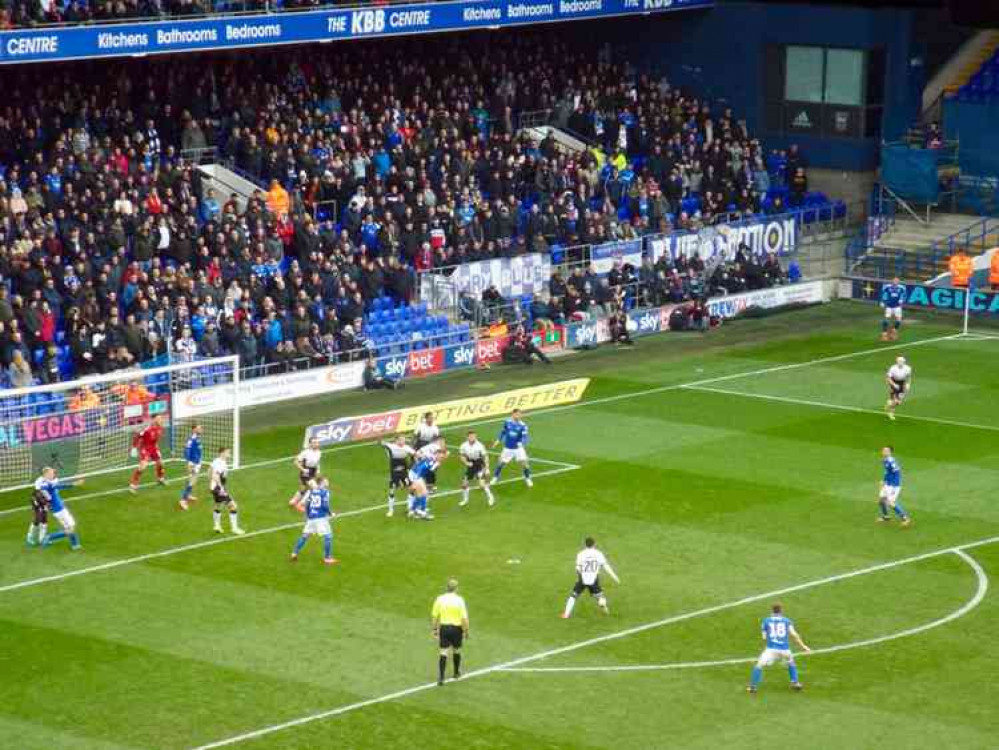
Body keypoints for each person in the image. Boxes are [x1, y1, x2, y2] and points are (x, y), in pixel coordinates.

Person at [747, 603, 810, 693]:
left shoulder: (766, 621)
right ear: (781, 611)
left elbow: (764, 637)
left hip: (771, 649)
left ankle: (753, 687)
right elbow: (794, 635)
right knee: (791, 663)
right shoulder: (787, 621)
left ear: (772, 611)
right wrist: (803, 646)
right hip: (785, 649)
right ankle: (795, 683)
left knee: (759, 665)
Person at [561, 537, 620, 619]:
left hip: (583, 578)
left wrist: (578, 577)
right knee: (599, 597)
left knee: (573, 596)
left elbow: (578, 568)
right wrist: (615, 577)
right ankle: (604, 608)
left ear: (585, 544)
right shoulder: (598, 554)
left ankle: (566, 614)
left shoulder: (581, 554)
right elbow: (606, 566)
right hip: (593, 579)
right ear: (594, 544)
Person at [290, 476, 337, 565]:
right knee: (328, 536)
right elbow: (325, 505)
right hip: (320, 518)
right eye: (326, 481)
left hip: (311, 518)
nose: (328, 482)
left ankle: (294, 553)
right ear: (322, 483)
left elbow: (307, 505)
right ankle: (327, 558)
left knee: (305, 536)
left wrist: (308, 515)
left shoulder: (312, 492)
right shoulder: (325, 492)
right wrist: (331, 514)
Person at [431, 578, 470, 686]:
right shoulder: (459, 600)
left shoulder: (440, 599)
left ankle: (441, 677)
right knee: (456, 650)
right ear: (456, 588)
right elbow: (464, 618)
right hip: (457, 629)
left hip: (444, 628)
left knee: (443, 652)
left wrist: (434, 630)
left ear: (447, 587)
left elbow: (435, 616)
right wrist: (466, 631)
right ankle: (456, 672)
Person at [35, 467, 84, 550]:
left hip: (57, 509)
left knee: (68, 527)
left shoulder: (46, 483)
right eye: (51, 473)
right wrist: (75, 484)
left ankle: (75, 544)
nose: (53, 474)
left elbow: (57, 487)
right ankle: (49, 537)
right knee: (71, 528)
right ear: (46, 474)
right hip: (59, 509)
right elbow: (61, 486)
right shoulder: (46, 484)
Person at [491, 409, 532, 488]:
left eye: (520, 414)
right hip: (507, 448)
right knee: (500, 463)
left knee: (524, 464)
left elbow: (525, 437)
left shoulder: (523, 425)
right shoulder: (507, 422)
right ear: (512, 414)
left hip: (518, 449)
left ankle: (528, 478)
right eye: (517, 414)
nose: (518, 416)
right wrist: (498, 440)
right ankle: (495, 477)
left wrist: (521, 443)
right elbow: (503, 432)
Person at [407, 437, 446, 520]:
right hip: (415, 474)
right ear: (436, 454)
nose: (441, 458)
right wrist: (415, 481)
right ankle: (423, 512)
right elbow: (420, 469)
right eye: (440, 456)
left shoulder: (434, 461)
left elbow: (428, 470)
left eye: (442, 457)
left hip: (417, 475)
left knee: (420, 494)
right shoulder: (431, 460)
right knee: (424, 493)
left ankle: (413, 511)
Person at [210, 447, 245, 535]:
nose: (229, 454)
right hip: (218, 488)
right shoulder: (220, 463)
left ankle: (217, 526)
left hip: (214, 487)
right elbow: (215, 475)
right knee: (233, 506)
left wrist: (210, 485)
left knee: (218, 505)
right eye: (227, 452)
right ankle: (234, 528)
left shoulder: (216, 461)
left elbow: (209, 471)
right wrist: (221, 488)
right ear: (222, 453)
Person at [129, 415, 166, 492]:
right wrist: (134, 447)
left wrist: (156, 448)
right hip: (145, 448)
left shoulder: (161, 428)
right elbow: (137, 436)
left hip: (154, 448)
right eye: (159, 419)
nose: (161, 420)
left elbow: (156, 439)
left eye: (161, 418)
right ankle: (133, 484)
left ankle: (160, 478)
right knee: (143, 466)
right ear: (154, 420)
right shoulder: (148, 429)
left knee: (161, 463)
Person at [381, 435, 415, 517]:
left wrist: (413, 462)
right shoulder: (391, 446)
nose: (403, 441)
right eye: (402, 440)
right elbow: (381, 443)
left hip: (404, 472)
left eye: (404, 440)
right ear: (397, 441)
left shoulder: (407, 448)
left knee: (411, 488)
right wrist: (380, 438)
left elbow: (415, 454)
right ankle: (390, 510)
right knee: (392, 490)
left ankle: (410, 509)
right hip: (394, 473)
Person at [459, 430, 494, 508]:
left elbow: (485, 456)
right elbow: (462, 456)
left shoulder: (480, 445)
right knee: (464, 484)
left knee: (482, 485)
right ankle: (465, 500)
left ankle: (491, 497)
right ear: (467, 437)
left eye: (474, 436)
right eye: (471, 436)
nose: (472, 438)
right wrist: (466, 463)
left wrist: (487, 467)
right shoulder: (463, 445)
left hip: (479, 464)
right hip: (470, 464)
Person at [878, 446, 911, 527]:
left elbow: (896, 471)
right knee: (881, 500)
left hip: (893, 485)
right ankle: (886, 517)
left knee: (891, 503)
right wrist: (884, 481)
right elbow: (887, 472)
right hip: (887, 484)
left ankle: (905, 518)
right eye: (883, 450)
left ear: (890, 452)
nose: (884, 451)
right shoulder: (885, 460)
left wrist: (892, 483)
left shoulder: (891, 461)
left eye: (886, 450)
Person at [289, 437, 322, 509]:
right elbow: (295, 462)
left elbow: (317, 463)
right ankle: (301, 504)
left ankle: (293, 501)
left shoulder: (319, 452)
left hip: (313, 471)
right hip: (305, 472)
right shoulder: (305, 452)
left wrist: (318, 471)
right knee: (315, 488)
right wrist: (303, 469)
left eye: (317, 442)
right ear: (310, 444)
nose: (316, 444)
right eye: (314, 443)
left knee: (304, 489)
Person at [412, 412, 441, 490]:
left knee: (431, 465)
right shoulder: (420, 426)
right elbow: (415, 437)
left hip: (430, 446)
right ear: (426, 418)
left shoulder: (435, 427)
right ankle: (418, 482)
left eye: (432, 417)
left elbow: (436, 438)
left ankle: (430, 483)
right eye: (430, 417)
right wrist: (414, 448)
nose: (431, 419)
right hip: (420, 445)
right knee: (419, 464)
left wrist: (436, 449)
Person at [179, 424, 202, 511]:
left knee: (193, 480)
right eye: (199, 428)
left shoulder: (197, 438)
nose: (201, 429)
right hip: (193, 463)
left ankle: (187, 495)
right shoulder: (191, 439)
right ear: (194, 429)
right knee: (191, 480)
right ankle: (183, 500)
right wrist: (189, 463)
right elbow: (186, 451)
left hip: (197, 462)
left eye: (201, 428)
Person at [885, 355, 912, 421]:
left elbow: (908, 377)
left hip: (902, 383)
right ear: (897, 362)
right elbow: (888, 378)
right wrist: (894, 384)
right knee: (895, 400)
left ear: (904, 362)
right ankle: (891, 413)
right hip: (893, 382)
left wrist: (908, 384)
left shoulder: (908, 368)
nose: (900, 362)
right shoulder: (893, 368)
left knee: (898, 402)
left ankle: (888, 405)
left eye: (902, 361)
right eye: (899, 361)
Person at [880, 277, 906, 341]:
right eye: (894, 281)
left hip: (897, 306)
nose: (895, 282)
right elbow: (882, 293)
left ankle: (894, 331)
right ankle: (884, 334)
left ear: (898, 282)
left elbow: (905, 295)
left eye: (896, 281)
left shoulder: (902, 288)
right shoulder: (887, 287)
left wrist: (902, 300)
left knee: (899, 320)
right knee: (886, 319)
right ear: (892, 281)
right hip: (889, 306)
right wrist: (882, 301)